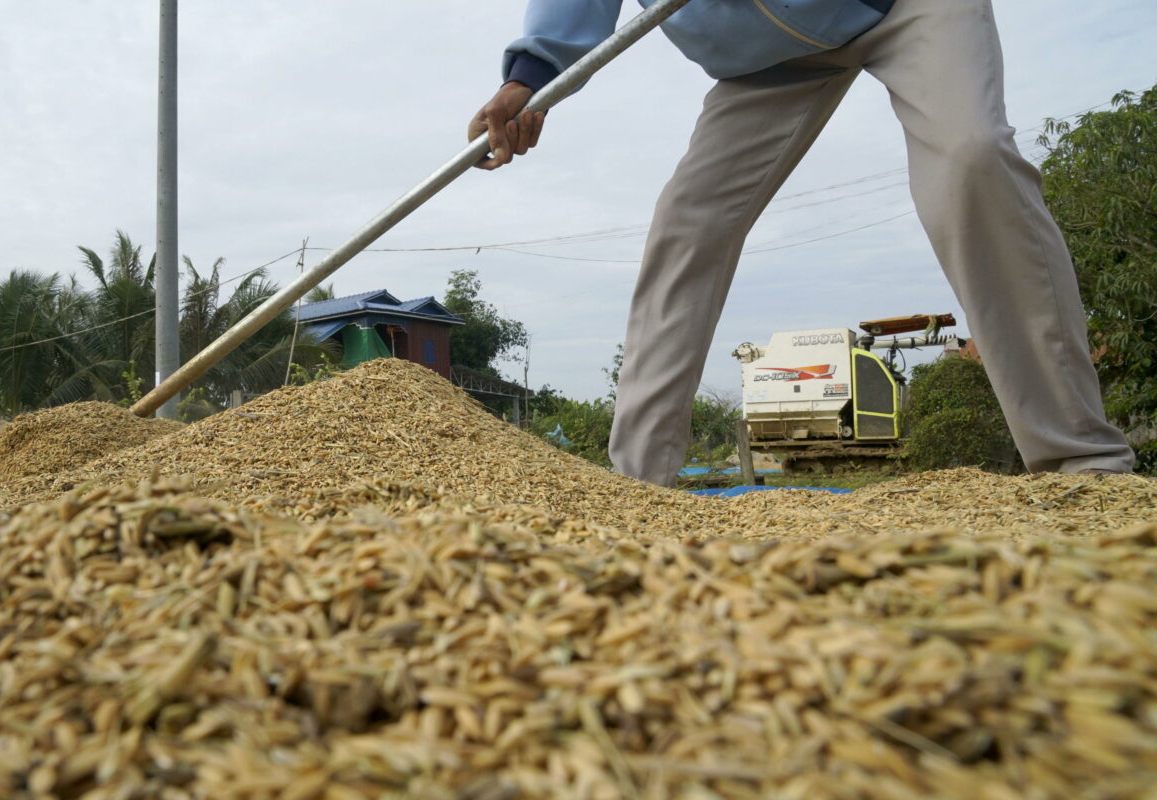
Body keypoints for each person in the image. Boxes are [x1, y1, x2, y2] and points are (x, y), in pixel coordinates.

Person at [469, 0, 1135, 487]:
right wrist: (529, 82)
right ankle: (636, 486)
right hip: (768, 64)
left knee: (971, 158)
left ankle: (1082, 460)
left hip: (902, 8)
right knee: (686, 224)